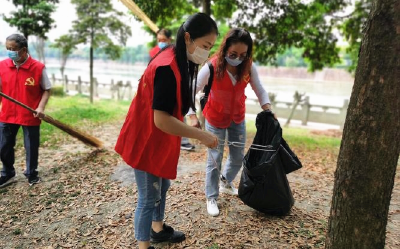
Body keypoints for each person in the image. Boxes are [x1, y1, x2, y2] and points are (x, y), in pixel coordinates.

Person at [115, 13, 219, 249]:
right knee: (148, 196)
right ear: (189, 38)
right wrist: (202, 136)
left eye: (210, 47)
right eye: (205, 46)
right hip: (146, 136)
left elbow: (180, 100)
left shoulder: (180, 59)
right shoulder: (165, 66)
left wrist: (191, 116)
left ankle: (158, 230)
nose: (206, 52)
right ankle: (144, 246)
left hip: (161, 137)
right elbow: (161, 120)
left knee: (163, 185)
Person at [188, 28, 274, 216]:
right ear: (225, 49)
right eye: (233, 54)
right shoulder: (211, 66)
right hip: (215, 118)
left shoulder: (248, 67)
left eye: (243, 55)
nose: (237, 58)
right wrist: (191, 115)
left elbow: (260, 89)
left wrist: (268, 109)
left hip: (237, 117)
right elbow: (190, 90)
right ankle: (211, 196)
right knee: (214, 157)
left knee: (237, 157)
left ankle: (225, 181)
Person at [0, 34, 51, 188]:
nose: (10, 52)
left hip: (30, 114)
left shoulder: (37, 68)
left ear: (23, 50)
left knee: (31, 146)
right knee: (3, 145)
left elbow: (47, 90)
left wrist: (40, 107)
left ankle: (31, 173)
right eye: (7, 48)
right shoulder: (2, 66)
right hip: (7, 114)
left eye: (13, 49)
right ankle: (8, 173)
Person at [149, 28, 196, 151]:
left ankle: (183, 141)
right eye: (159, 40)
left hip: (174, 89)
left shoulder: (176, 54)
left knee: (178, 114)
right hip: (158, 88)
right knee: (160, 115)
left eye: (163, 40)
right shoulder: (155, 53)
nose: (161, 42)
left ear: (169, 39)